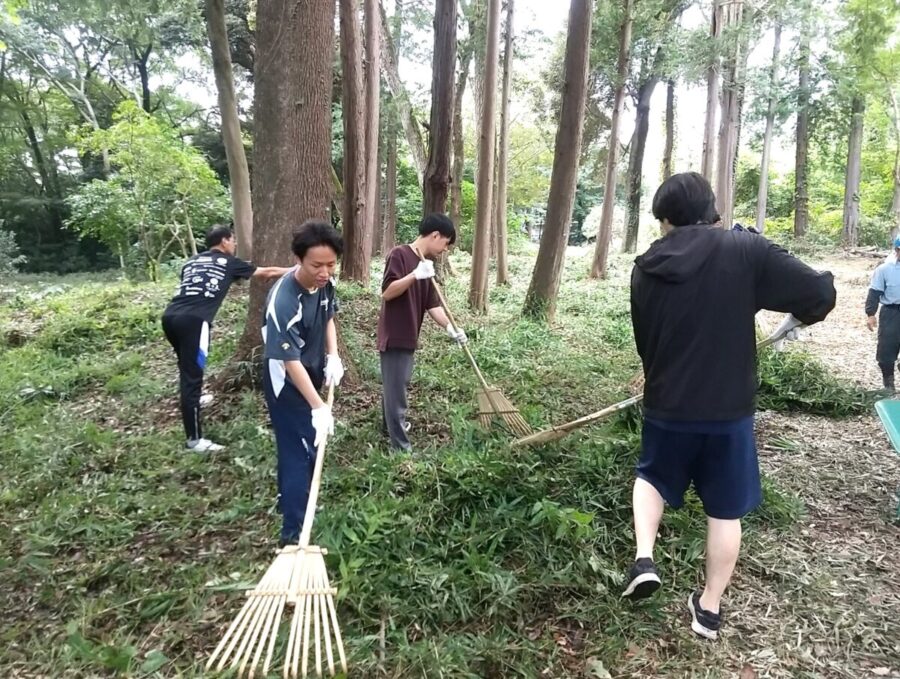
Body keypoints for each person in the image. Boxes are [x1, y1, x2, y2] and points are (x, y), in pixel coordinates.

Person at [623, 172, 836, 640]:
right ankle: (709, 609)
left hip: (667, 404)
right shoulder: (745, 250)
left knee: (652, 476)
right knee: (724, 511)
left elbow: (647, 344)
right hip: (727, 410)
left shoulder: (645, 266)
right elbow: (820, 293)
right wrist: (795, 318)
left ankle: (643, 557)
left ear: (664, 219)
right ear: (712, 212)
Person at [162, 224, 290, 453]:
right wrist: (296, 270)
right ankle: (194, 440)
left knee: (186, 365)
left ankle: (195, 398)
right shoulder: (229, 263)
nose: (234, 244)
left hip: (170, 317)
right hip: (195, 322)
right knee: (191, 377)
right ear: (223, 241)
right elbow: (266, 273)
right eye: (232, 240)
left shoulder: (192, 261)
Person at [261, 221, 345, 547]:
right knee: (299, 448)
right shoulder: (284, 300)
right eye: (316, 265)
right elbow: (287, 360)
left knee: (304, 442)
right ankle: (293, 534)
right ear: (298, 260)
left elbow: (328, 317)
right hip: (286, 381)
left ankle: (293, 500)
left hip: (310, 369)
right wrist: (318, 406)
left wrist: (333, 356)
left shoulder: (324, 283)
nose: (324, 272)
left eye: (330, 264)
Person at [376, 213, 467, 451]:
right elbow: (387, 292)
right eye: (446, 243)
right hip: (395, 335)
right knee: (397, 393)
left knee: (394, 387)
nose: (445, 249)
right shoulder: (400, 255)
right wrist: (414, 275)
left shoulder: (427, 265)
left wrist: (451, 328)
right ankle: (400, 450)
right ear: (435, 235)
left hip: (409, 335)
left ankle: (388, 428)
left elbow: (433, 305)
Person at [865, 236, 900, 392]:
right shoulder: (885, 270)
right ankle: (888, 383)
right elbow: (874, 292)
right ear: (897, 250)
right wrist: (871, 314)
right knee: (887, 348)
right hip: (891, 312)